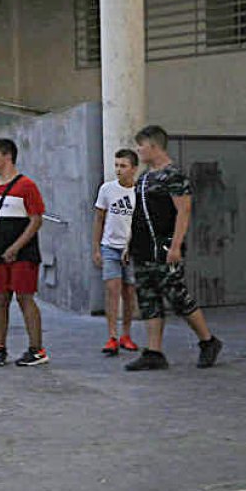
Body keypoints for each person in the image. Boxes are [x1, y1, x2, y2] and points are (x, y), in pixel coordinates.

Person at [124, 125, 222, 371]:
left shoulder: (174, 175)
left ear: (154, 146)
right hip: (143, 249)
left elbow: (184, 211)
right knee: (148, 298)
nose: (138, 150)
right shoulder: (145, 177)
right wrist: (129, 244)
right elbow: (139, 213)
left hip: (165, 246)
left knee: (177, 295)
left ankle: (208, 341)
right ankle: (154, 352)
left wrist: (176, 245)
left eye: (141, 145)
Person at [0, 138, 48, 367]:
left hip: (23, 253)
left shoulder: (26, 185)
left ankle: (36, 349)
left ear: (7, 156)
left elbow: (36, 221)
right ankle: (0, 348)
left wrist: (16, 247)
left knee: (25, 297)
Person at [92, 148, 140, 355]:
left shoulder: (139, 193)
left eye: (123, 166)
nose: (119, 170)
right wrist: (96, 248)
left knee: (129, 293)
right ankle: (111, 336)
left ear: (134, 169)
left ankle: (126, 335)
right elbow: (99, 219)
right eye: (117, 165)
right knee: (112, 291)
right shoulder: (107, 189)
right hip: (110, 246)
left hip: (131, 250)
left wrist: (131, 246)